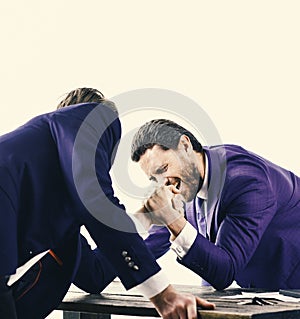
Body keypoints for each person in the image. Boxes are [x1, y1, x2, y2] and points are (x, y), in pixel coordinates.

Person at [0, 89, 214, 319]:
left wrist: (148, 217)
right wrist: (163, 294)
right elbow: (96, 201)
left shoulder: (61, 215)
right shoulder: (92, 117)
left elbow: (95, 274)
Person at [130, 118, 300, 290]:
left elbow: (224, 272)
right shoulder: (187, 178)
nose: (163, 183)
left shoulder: (247, 182)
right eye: (153, 178)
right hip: (261, 289)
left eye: (163, 169)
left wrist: (173, 220)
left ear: (185, 146)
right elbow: (147, 246)